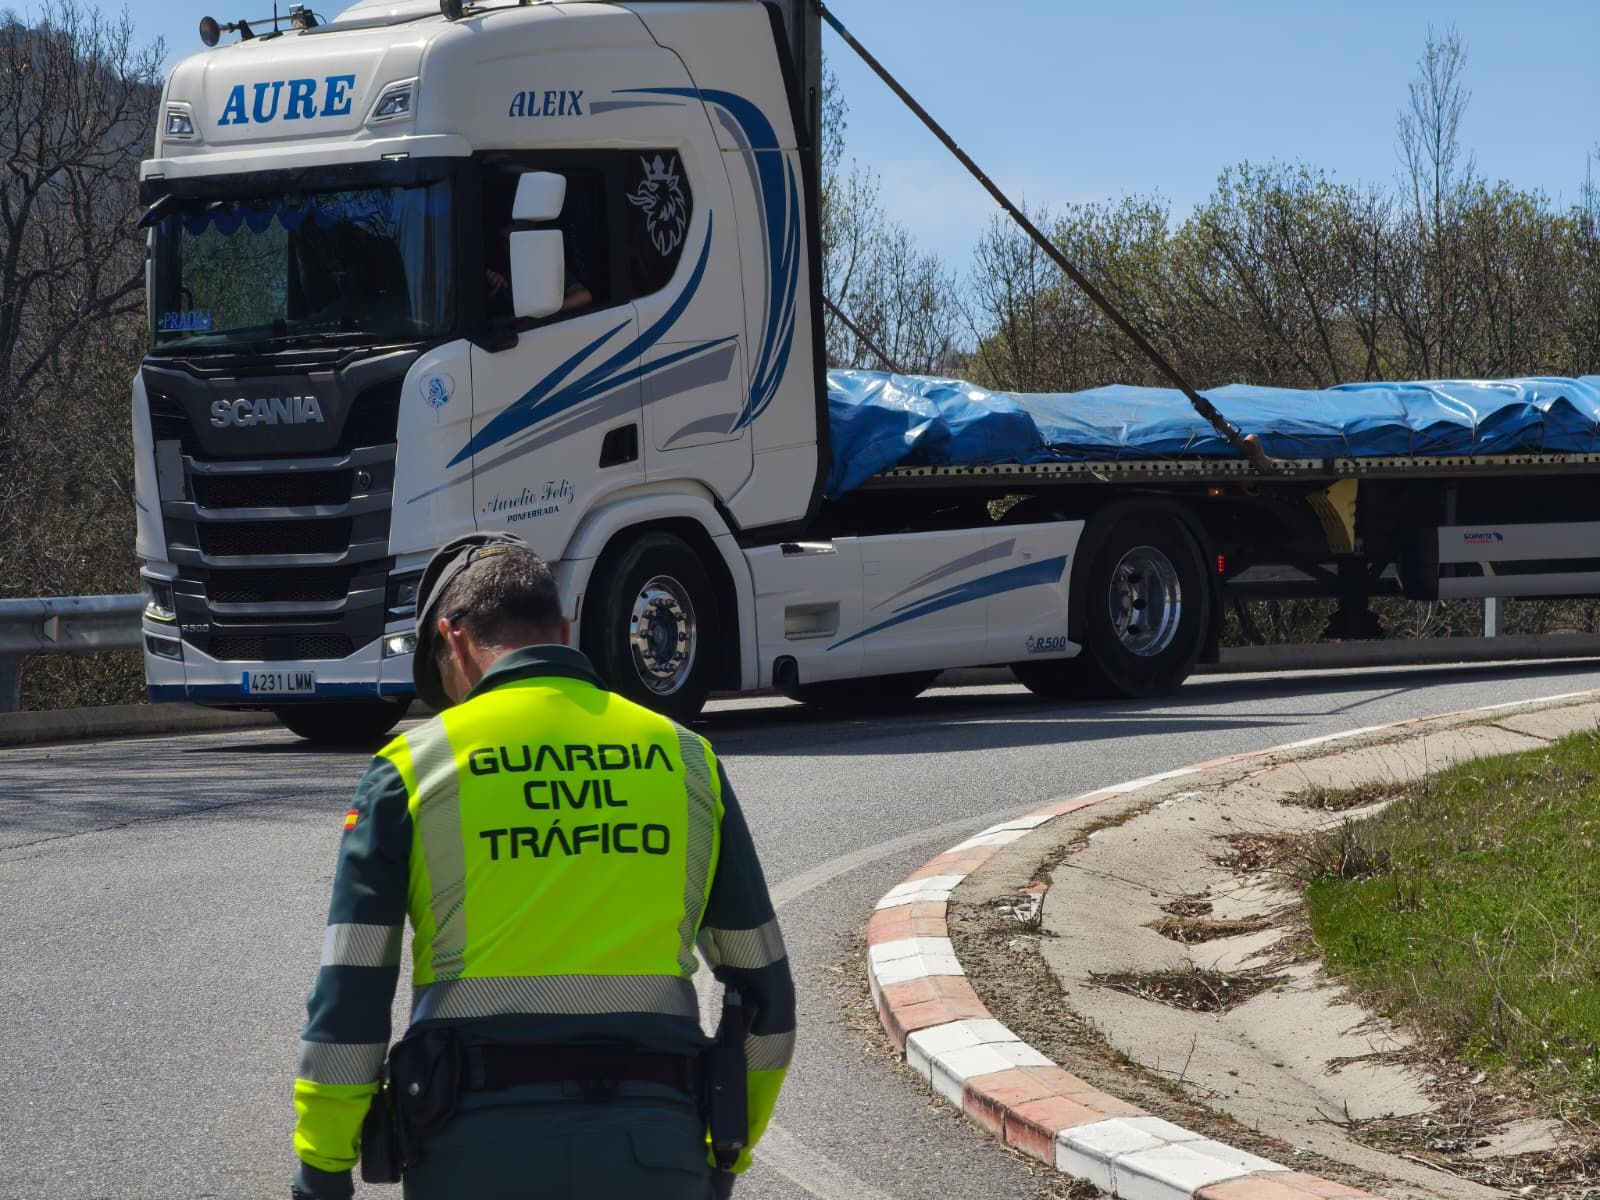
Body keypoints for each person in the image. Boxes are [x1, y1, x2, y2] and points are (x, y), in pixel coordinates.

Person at [290, 532, 794, 1199]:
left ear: (455, 638)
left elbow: (352, 995)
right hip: (655, 1145)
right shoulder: (684, 758)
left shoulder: (410, 771)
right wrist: (724, 1149)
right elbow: (768, 1001)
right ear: (560, 628)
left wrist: (322, 1170)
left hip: (470, 1155)